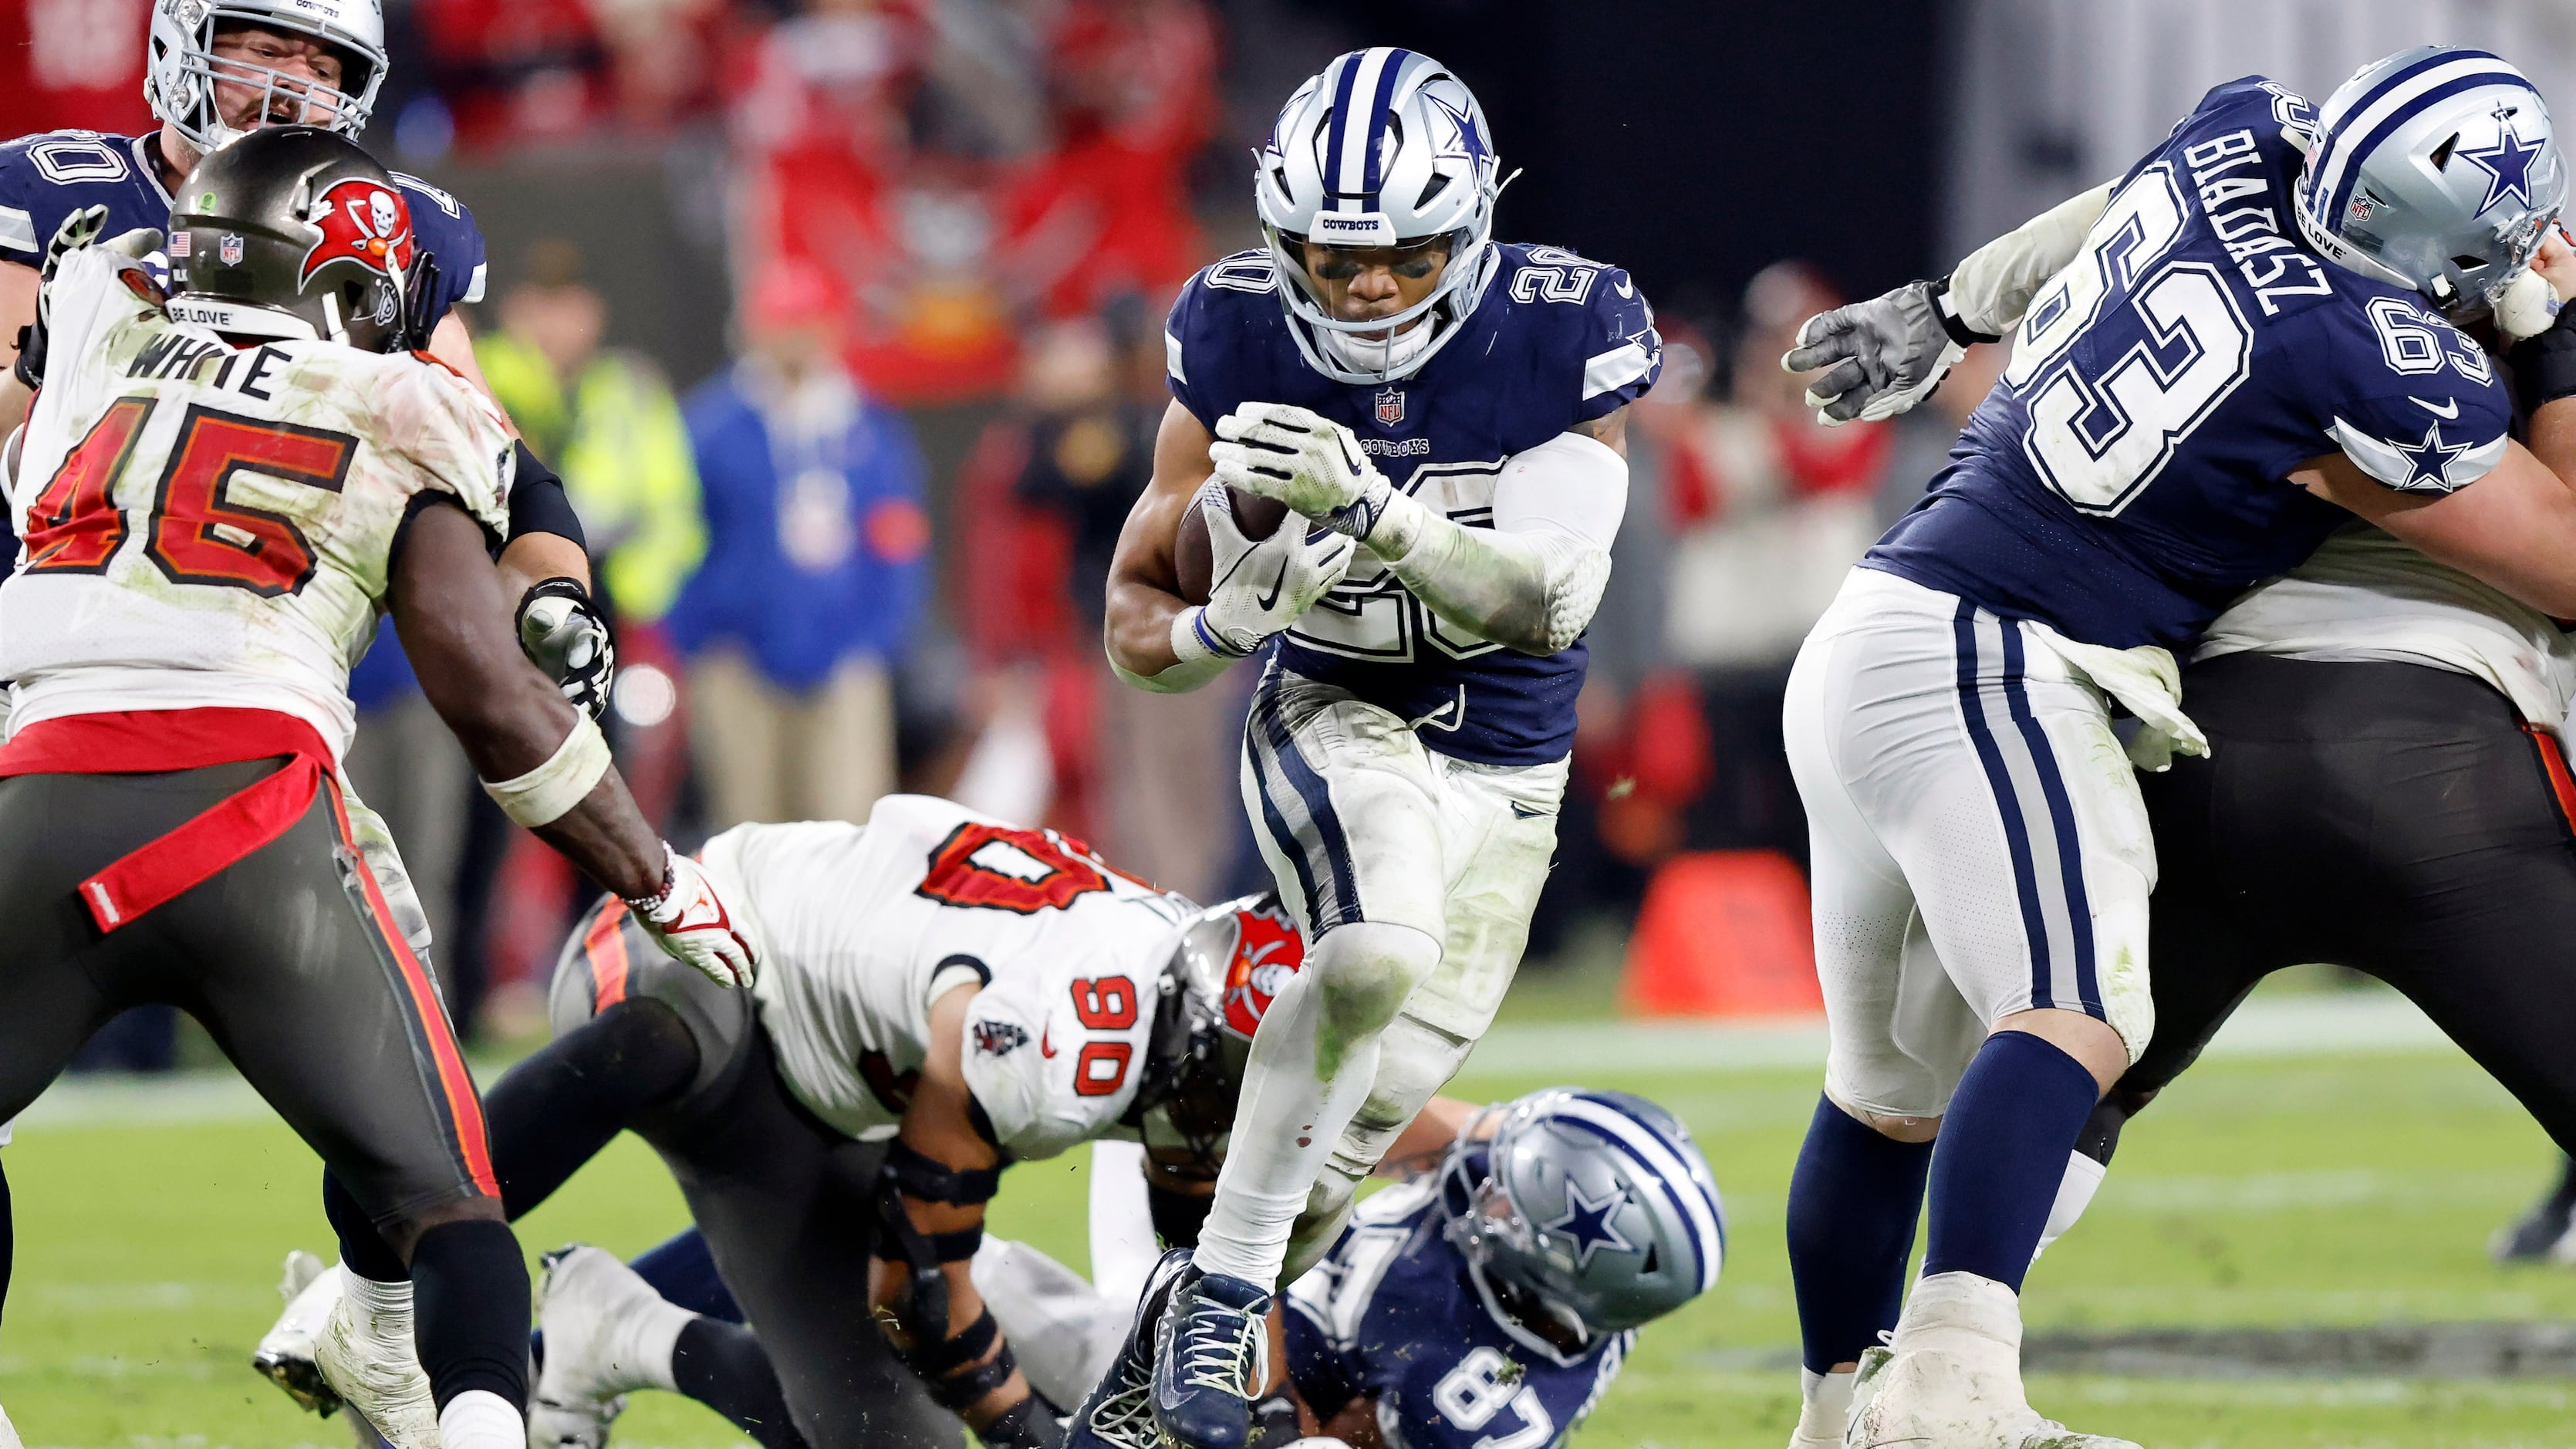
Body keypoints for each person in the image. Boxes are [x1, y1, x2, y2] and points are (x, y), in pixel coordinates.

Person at [1775, 48, 2576, 1449]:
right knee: (2079, 1013)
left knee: (1885, 1095)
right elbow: (2562, 562)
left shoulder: (2246, 135)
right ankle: (1953, 1394)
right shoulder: (2368, 357)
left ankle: (1834, 1415)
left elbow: (2110, 203)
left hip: (1873, 627)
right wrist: (2552, 326)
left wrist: (1946, 305)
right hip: (2000, 657)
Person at [0, 127, 757, 1449]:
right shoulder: (399, 398)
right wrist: (658, 873)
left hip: (35, 785)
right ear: (353, 280)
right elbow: (486, 690)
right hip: (250, 807)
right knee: (448, 1204)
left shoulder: (97, 340)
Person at [1097, 49, 1657, 1449]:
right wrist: (1220, 628)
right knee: (1372, 943)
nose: (1362, 290)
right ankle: (1222, 1291)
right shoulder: (1229, 327)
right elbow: (1132, 613)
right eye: (1331, 257)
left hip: (1511, 767)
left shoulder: (1560, 321)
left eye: (1402, 257)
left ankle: (1121, 1404)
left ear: (1469, 226)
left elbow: (1540, 597)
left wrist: (1371, 512)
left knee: (1335, 1149)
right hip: (1334, 710)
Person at [253, 792, 1307, 1449]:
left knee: (886, 1439)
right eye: (1231, 1088)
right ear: (1192, 1038)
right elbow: (919, 1284)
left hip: (812, 1097)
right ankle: (390, 1244)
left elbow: (1217, 1257)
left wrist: (1257, 1417)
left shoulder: (1190, 1011)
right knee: (662, 1040)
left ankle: (616, 1328)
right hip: (719, 943)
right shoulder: (1050, 1036)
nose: (1234, 1117)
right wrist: (1032, 1434)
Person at [510, 1086, 1724, 1449]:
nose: (1486, 1164)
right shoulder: (1536, 1271)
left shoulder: (1463, 1392)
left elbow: (1274, 1422)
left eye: (1518, 1187)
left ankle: (609, 1322)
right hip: (1206, 1296)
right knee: (899, 1353)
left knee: (913, 1332)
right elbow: (1370, 1107)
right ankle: (598, 1328)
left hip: (1238, 1359)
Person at [673, 259, 930, 828]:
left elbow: (898, 539)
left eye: (806, 323)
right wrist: (704, 637)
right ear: (754, 331)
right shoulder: (713, 428)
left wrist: (875, 637)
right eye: (783, 324)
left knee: (848, 826)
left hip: (844, 657)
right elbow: (675, 540)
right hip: (737, 660)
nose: (794, 339)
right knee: (750, 829)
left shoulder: (865, 425)